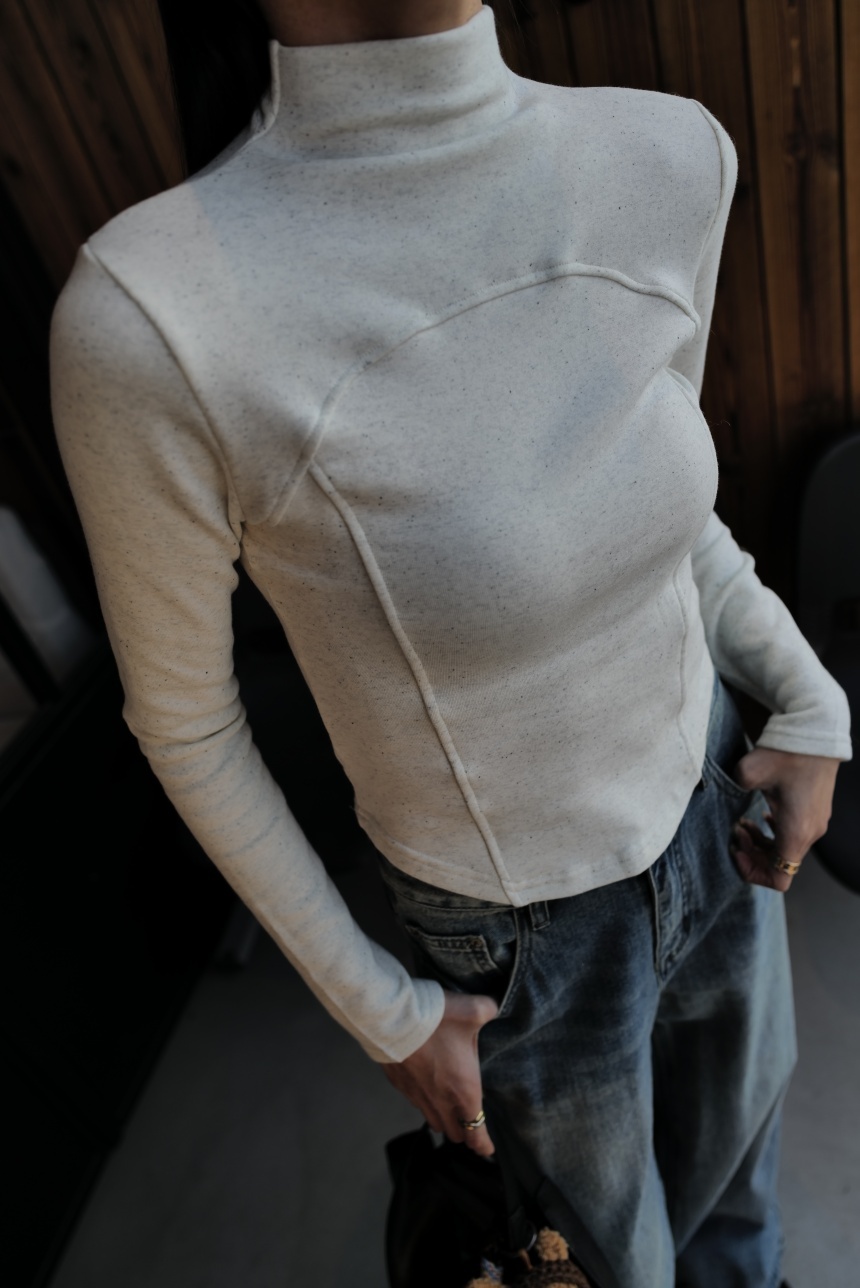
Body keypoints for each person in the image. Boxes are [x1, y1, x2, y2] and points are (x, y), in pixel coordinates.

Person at [49, 2, 851, 1284]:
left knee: (741, 1220)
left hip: (716, 809)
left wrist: (806, 697)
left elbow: (654, 517)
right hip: (515, 937)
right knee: (607, 1267)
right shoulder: (153, 315)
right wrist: (385, 1015)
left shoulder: (664, 156)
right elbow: (186, 722)